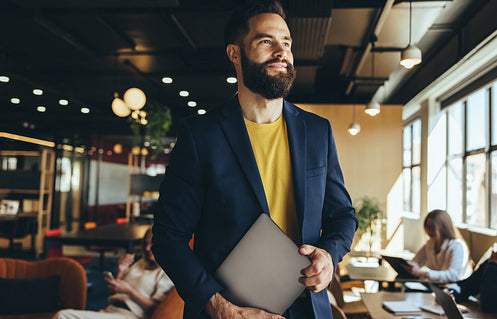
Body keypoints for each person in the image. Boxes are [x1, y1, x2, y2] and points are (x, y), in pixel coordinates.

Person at [152, 1, 358, 319]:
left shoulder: (318, 131)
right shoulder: (201, 136)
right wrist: (219, 306)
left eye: (286, 42)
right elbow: (168, 238)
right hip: (227, 311)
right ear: (235, 53)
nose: (281, 51)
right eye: (266, 41)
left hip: (308, 309)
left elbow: (343, 215)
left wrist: (330, 255)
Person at [53, 227, 174, 319]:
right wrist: (120, 271)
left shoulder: (166, 272)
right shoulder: (142, 263)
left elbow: (156, 309)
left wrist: (130, 291)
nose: (147, 248)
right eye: (145, 243)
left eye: (152, 244)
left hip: (130, 316)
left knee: (62, 316)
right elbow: (113, 293)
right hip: (111, 310)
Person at [402, 209, 471, 282]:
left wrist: (424, 273)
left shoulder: (457, 246)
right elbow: (416, 261)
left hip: (454, 288)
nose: (429, 231)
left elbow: (453, 276)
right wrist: (410, 266)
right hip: (438, 285)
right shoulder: (431, 243)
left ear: (443, 228)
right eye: (427, 227)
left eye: (432, 227)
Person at [446, 248, 497, 314]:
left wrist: (493, 267)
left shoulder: (493, 264)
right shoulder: (493, 260)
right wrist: (451, 292)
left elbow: (490, 305)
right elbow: (466, 285)